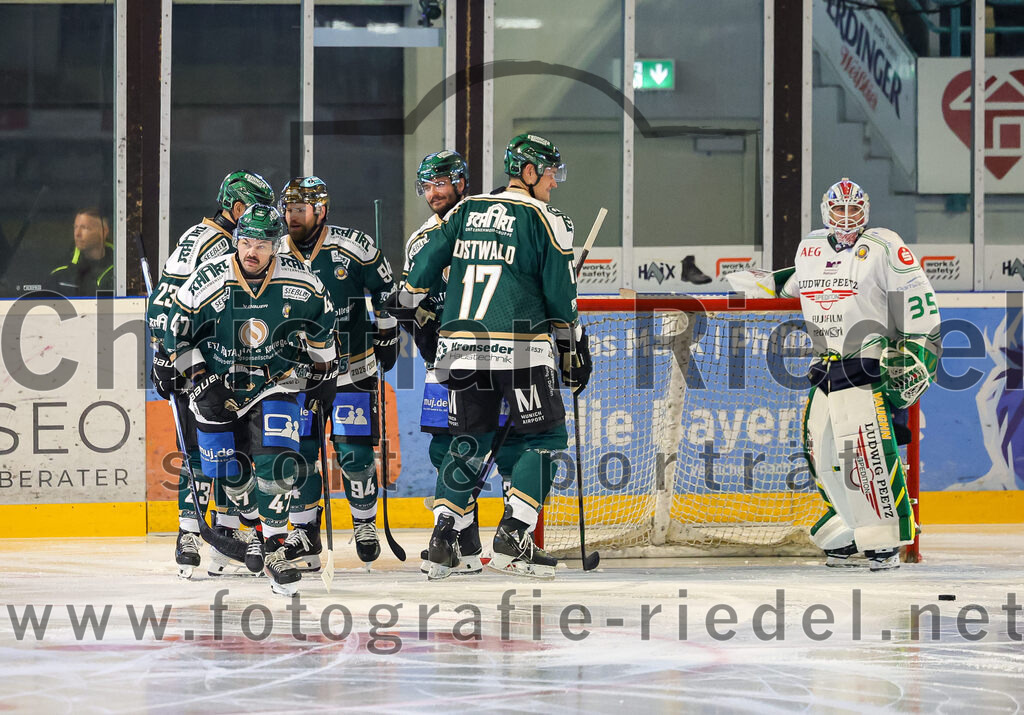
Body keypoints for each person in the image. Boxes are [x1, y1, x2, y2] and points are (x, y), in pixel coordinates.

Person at [400, 133, 593, 580]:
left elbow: (421, 272)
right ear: (528, 172)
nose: (554, 184)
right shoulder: (546, 217)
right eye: (549, 174)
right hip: (520, 346)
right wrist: (573, 347)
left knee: (465, 444)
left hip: (458, 349)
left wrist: (409, 306)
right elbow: (560, 298)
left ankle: (443, 539)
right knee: (544, 439)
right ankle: (514, 537)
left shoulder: (466, 211)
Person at [730, 178, 941, 570]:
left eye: (854, 209)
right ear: (827, 211)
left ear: (866, 210)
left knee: (868, 455)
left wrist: (917, 354)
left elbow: (918, 300)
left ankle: (884, 538)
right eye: (839, 209)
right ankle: (844, 527)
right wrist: (760, 282)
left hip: (867, 366)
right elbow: (796, 282)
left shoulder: (884, 246)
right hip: (825, 367)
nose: (847, 217)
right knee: (821, 452)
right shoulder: (810, 246)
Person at [162, 204, 337, 595]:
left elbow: (323, 329)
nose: (251, 251)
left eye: (261, 243)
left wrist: (325, 374)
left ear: (276, 246)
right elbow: (176, 338)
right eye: (245, 242)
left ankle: (275, 548)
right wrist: (200, 378)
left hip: (276, 381)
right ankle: (257, 527)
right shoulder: (206, 282)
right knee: (229, 473)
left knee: (275, 461)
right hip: (217, 382)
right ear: (236, 241)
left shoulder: (302, 283)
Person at [146, 170, 276, 578]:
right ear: (238, 209)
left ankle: (213, 530)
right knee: (209, 448)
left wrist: (162, 354)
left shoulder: (193, 236)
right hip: (199, 358)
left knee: (210, 449)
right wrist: (176, 356)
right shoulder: (222, 247)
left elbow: (160, 304)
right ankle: (195, 531)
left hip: (181, 354)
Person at [404, 150, 525, 575]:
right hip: (450, 357)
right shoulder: (420, 240)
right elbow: (413, 302)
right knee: (445, 449)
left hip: (503, 349)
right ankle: (465, 540)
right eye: (428, 186)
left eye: (441, 184)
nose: (434, 194)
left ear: (460, 182)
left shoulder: (494, 224)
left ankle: (515, 539)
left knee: (511, 443)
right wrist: (418, 328)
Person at [276, 176, 399, 570]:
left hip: (352, 369)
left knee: (355, 451)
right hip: (299, 374)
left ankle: (364, 522)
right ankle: (304, 529)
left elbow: (385, 288)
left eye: (300, 209)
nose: (292, 216)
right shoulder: (275, 251)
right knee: (299, 453)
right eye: (288, 209)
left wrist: (387, 331)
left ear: (321, 210)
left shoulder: (353, 245)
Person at [48, 208, 114, 295]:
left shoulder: (123, 269)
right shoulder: (61, 271)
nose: (77, 234)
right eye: (75, 227)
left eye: (85, 228)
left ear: (104, 232)